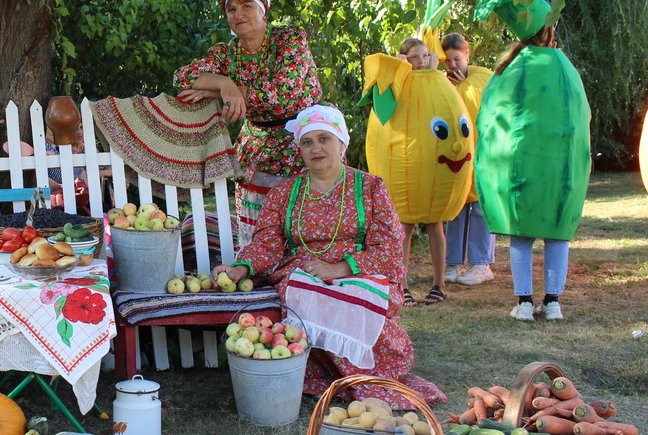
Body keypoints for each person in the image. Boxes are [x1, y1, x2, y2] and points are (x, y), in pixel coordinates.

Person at [212, 105, 445, 409]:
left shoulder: (370, 187)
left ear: (342, 144)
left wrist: (339, 268)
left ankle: (369, 380)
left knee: (356, 297)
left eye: (324, 139)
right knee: (309, 293)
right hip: (304, 272)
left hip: (362, 271)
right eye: (307, 142)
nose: (316, 148)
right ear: (300, 150)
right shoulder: (284, 193)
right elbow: (267, 243)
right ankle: (338, 379)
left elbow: (389, 246)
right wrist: (242, 267)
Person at [174, 0, 322, 247]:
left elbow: (282, 97)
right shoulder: (226, 53)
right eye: (231, 8)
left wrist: (214, 90)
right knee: (258, 231)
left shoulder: (289, 39)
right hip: (258, 148)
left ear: (263, 8)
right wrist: (224, 84)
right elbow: (182, 77)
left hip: (303, 144)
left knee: (304, 226)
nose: (238, 13)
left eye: (246, 5)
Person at [473, 0, 591, 321]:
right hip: (559, 169)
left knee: (522, 237)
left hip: (520, 168)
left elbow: (491, 119)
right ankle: (552, 303)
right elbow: (581, 114)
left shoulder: (508, 68)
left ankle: (524, 303)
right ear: (549, 29)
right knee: (556, 237)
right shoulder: (564, 67)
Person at [394, 37, 449, 307]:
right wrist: (400, 70)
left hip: (432, 160)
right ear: (404, 58)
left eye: (425, 56)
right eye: (415, 57)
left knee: (435, 222)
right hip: (407, 162)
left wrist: (434, 71)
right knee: (405, 223)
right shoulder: (399, 80)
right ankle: (402, 285)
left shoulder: (435, 80)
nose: (421, 61)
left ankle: (439, 285)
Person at [440, 33, 496, 285]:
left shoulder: (483, 78)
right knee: (455, 209)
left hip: (483, 154)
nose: (453, 65)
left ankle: (481, 263)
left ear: (467, 54)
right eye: (448, 61)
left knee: (482, 209)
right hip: (457, 156)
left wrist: (463, 86)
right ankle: (451, 263)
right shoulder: (442, 83)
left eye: (457, 59)